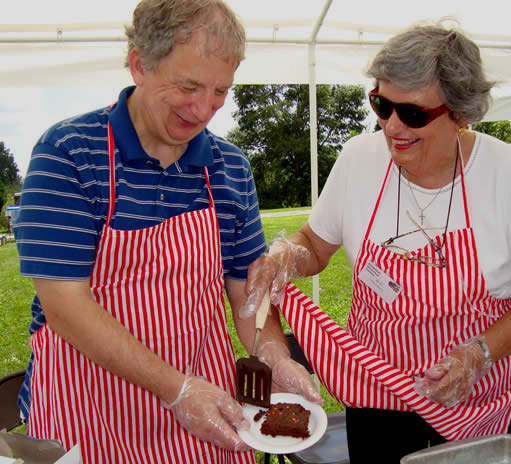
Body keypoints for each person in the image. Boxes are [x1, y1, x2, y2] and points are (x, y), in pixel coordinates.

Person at [14, 1, 321, 463]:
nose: (203, 109)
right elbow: (66, 308)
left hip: (206, 407)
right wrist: (175, 390)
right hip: (91, 411)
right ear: (140, 64)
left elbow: (248, 299)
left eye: (220, 91)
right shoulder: (69, 152)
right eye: (189, 86)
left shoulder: (230, 168)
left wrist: (273, 354)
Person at [242, 24, 511, 463]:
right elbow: (315, 242)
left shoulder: (503, 174)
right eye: (382, 105)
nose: (392, 126)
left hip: (474, 397)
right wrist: (288, 252)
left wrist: (479, 352)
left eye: (414, 114)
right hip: (376, 389)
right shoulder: (359, 159)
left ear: (461, 114)